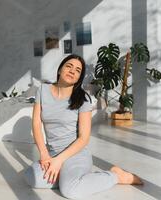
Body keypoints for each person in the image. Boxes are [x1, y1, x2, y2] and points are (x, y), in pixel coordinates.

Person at [24, 54, 142, 199]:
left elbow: (84, 138)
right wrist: (44, 154)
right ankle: (68, 176)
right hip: (52, 153)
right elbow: (36, 123)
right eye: (69, 66)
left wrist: (58, 161)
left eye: (78, 70)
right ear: (60, 70)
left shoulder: (83, 99)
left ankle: (114, 176)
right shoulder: (42, 90)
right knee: (31, 176)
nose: (73, 71)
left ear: (79, 77)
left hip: (76, 154)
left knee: (70, 191)